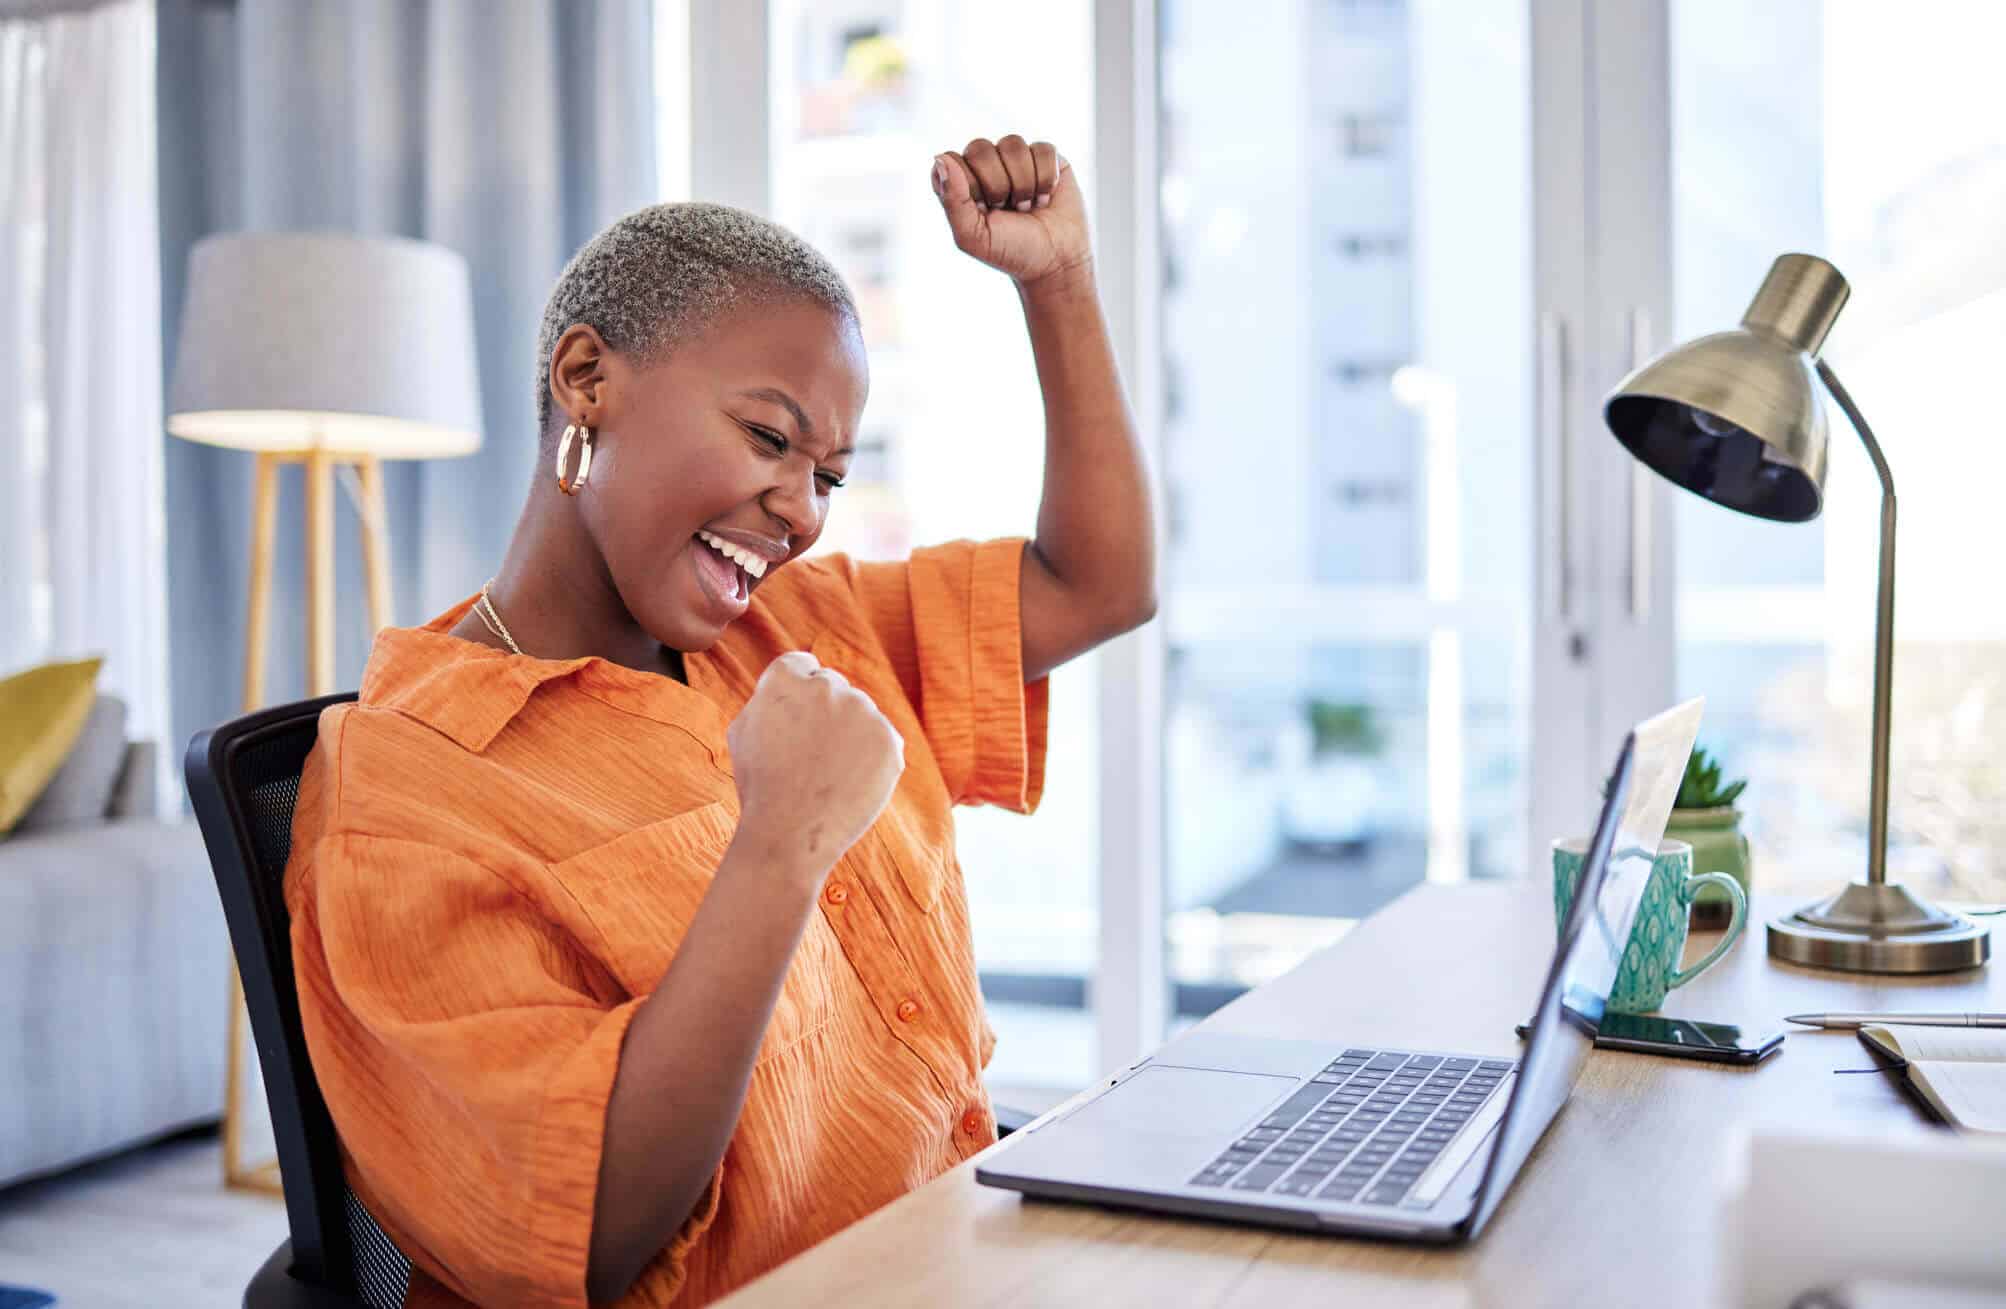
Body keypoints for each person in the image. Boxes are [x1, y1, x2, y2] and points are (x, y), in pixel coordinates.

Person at [282, 134, 1154, 1308]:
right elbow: (589, 1232)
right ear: (585, 380)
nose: (801, 515)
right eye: (768, 437)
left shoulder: (794, 630)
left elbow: (1099, 585)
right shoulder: (407, 790)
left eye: (829, 476)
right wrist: (781, 840)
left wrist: (1059, 284)